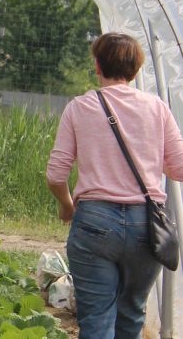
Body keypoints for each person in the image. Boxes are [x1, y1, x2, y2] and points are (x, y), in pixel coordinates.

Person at [46, 32, 183, 339]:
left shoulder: (79, 108)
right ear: (136, 70)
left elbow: (56, 174)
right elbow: (179, 167)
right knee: (132, 312)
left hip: (94, 221)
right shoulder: (157, 108)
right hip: (146, 226)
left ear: (97, 66)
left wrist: (67, 206)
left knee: (96, 319)